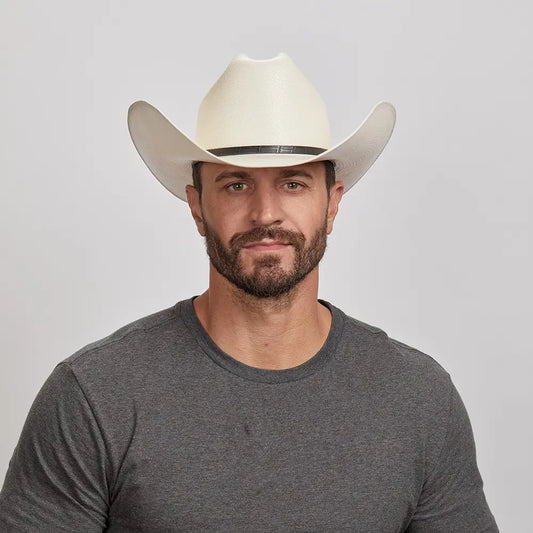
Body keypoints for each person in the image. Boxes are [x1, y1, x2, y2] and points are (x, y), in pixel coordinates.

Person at [0, 53, 498, 532]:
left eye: (294, 184)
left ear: (332, 204)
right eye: (236, 185)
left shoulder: (418, 400)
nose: (265, 214)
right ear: (197, 207)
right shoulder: (95, 396)